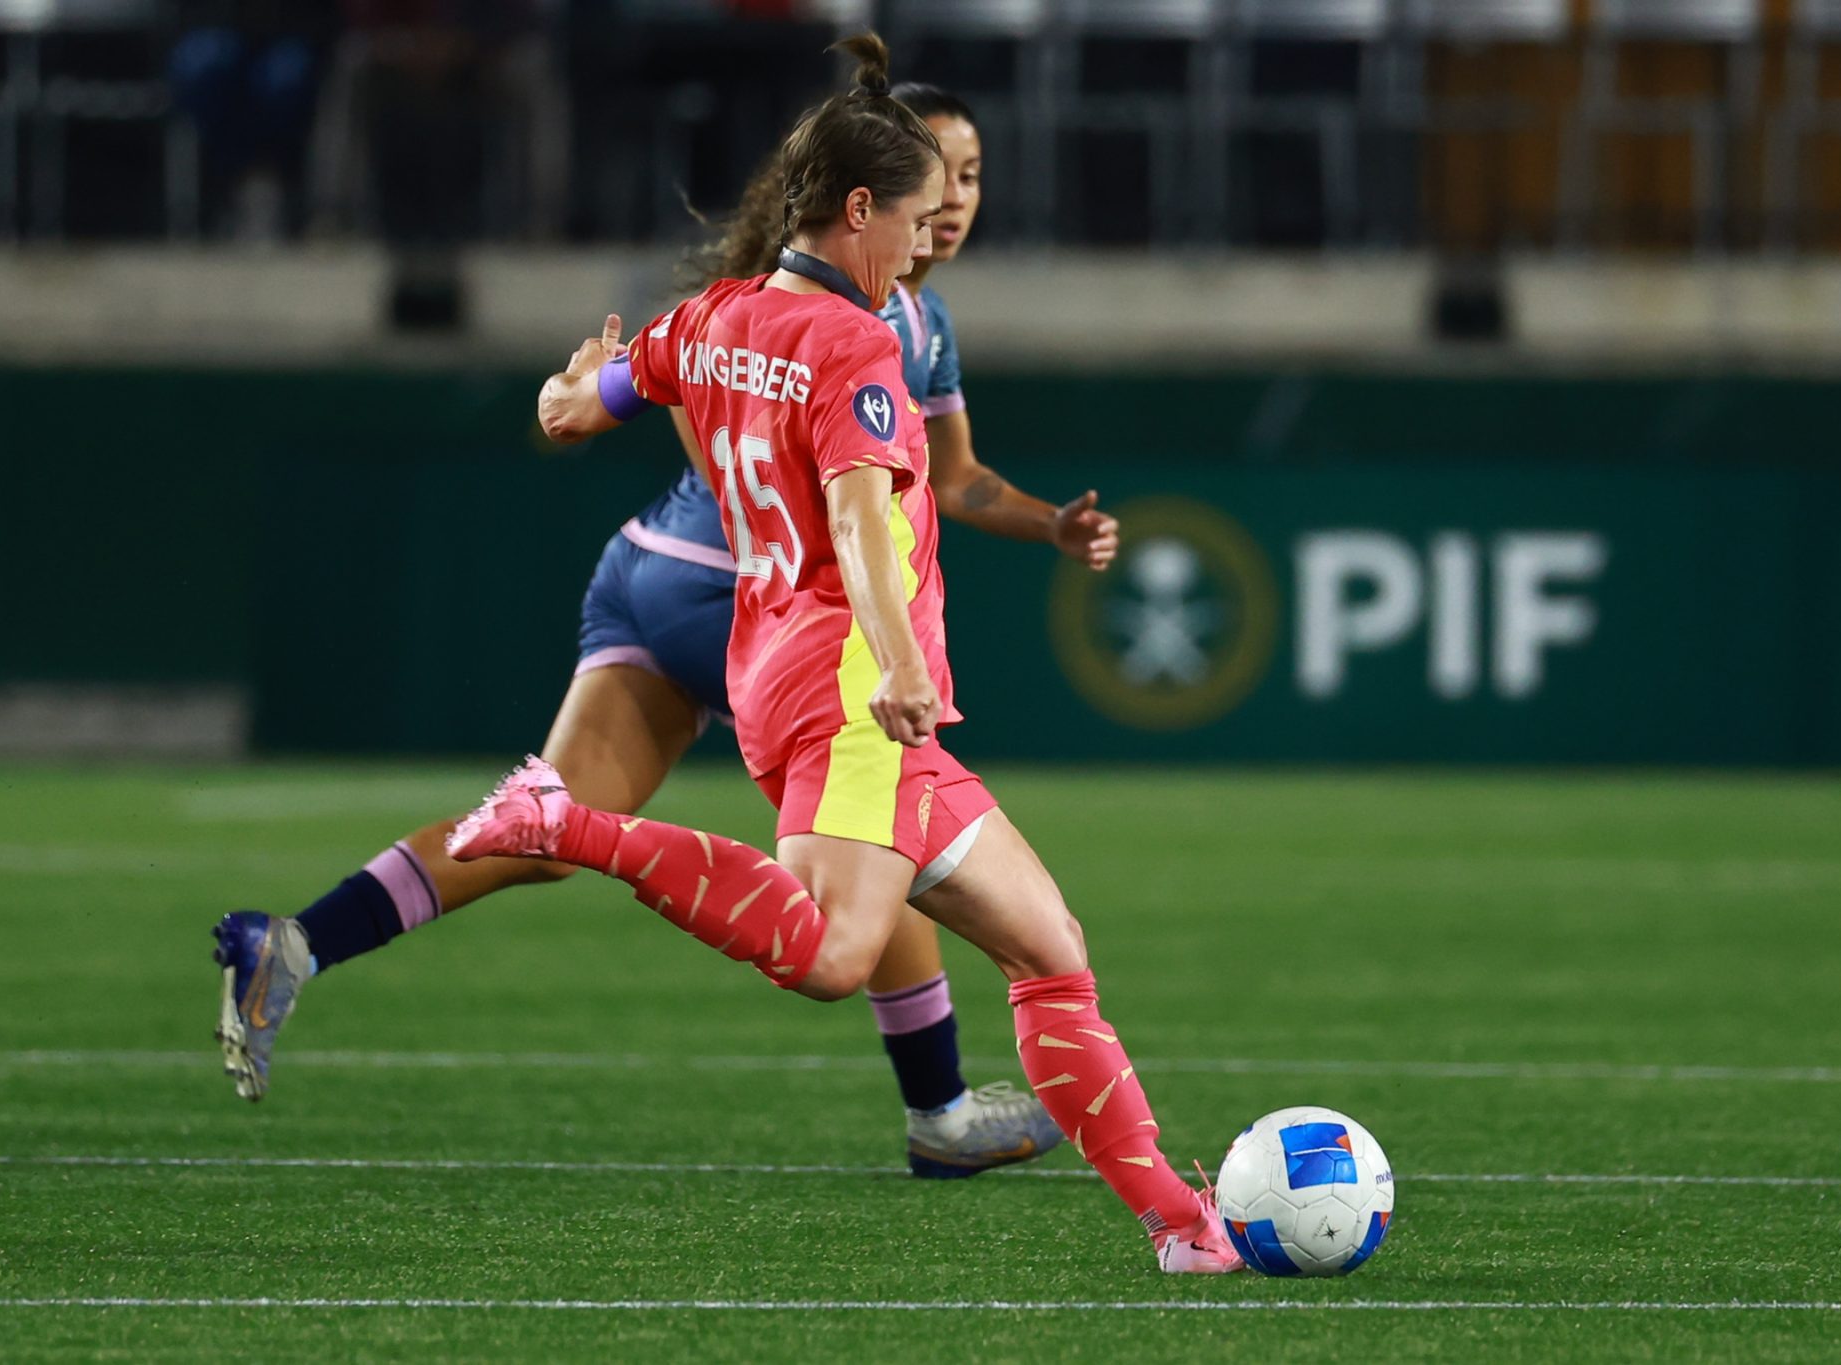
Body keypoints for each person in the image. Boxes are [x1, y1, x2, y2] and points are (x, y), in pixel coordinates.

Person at [212, 76, 1115, 1182]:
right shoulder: (858, 323)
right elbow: (809, 500)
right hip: (744, 602)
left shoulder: (814, 310)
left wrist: (1046, 526)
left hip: (645, 569)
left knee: (553, 824)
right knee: (887, 826)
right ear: (864, 192)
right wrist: (877, 639)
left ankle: (300, 940)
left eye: (970, 178)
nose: (955, 202)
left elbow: (949, 476)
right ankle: (937, 1108)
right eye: (938, 175)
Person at [441, 33, 1242, 1273]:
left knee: (1051, 952)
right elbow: (867, 517)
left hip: (777, 665)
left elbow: (564, 411)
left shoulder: (703, 318)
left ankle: (1184, 1232)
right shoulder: (859, 346)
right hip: (850, 685)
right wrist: (900, 660)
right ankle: (560, 820)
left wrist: (572, 382)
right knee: (830, 956)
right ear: (857, 208)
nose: (929, 239)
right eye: (917, 216)